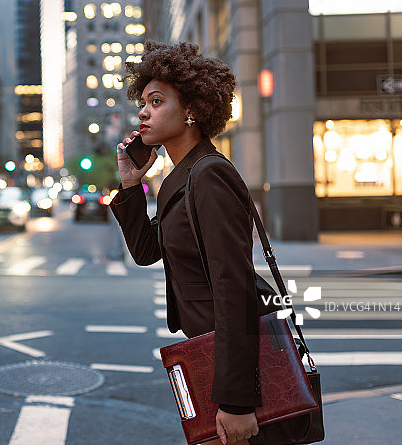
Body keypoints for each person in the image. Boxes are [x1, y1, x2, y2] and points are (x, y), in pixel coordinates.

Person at [110, 41, 281, 445]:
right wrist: (131, 187)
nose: (143, 112)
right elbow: (147, 251)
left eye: (156, 101)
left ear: (191, 111)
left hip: (229, 361)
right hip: (208, 349)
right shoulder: (181, 177)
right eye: (143, 102)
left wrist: (237, 402)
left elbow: (233, 286)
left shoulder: (208, 175)